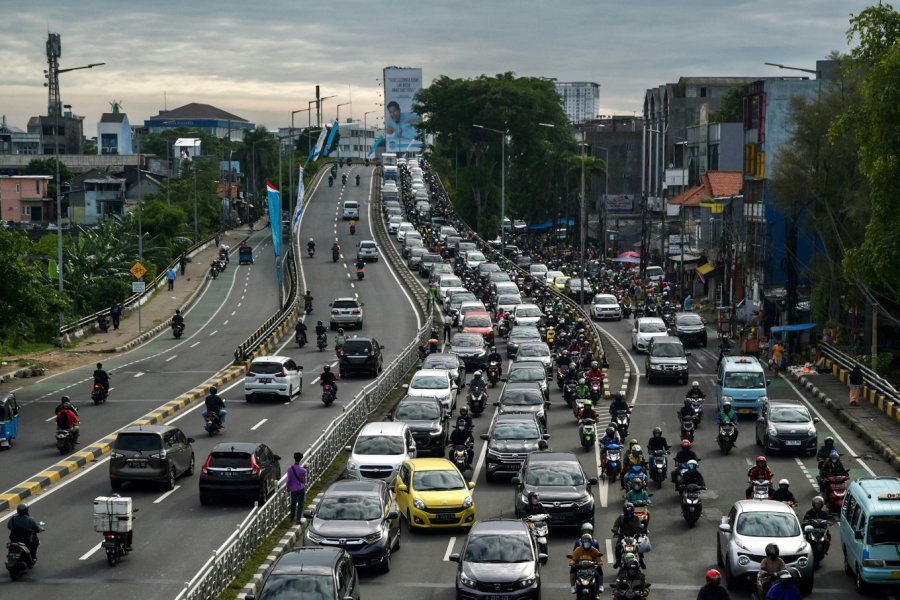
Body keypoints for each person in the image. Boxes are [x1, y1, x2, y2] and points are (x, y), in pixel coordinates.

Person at [611, 503, 646, 568]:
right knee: (617, 547)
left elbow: (638, 526)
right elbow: (615, 525)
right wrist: (615, 530)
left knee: (641, 546)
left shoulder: (636, 518)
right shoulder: (621, 517)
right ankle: (618, 561)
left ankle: (641, 559)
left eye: (630, 513)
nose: (629, 514)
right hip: (623, 536)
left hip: (634, 536)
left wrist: (641, 529)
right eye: (627, 513)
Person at [287, 452, 307, 523]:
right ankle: (298, 519)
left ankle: (292, 517)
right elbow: (304, 481)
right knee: (300, 504)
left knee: (293, 503)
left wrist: (288, 487)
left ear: (294, 458)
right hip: (301, 489)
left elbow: (289, 480)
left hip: (293, 489)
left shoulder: (290, 469)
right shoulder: (303, 470)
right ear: (301, 459)